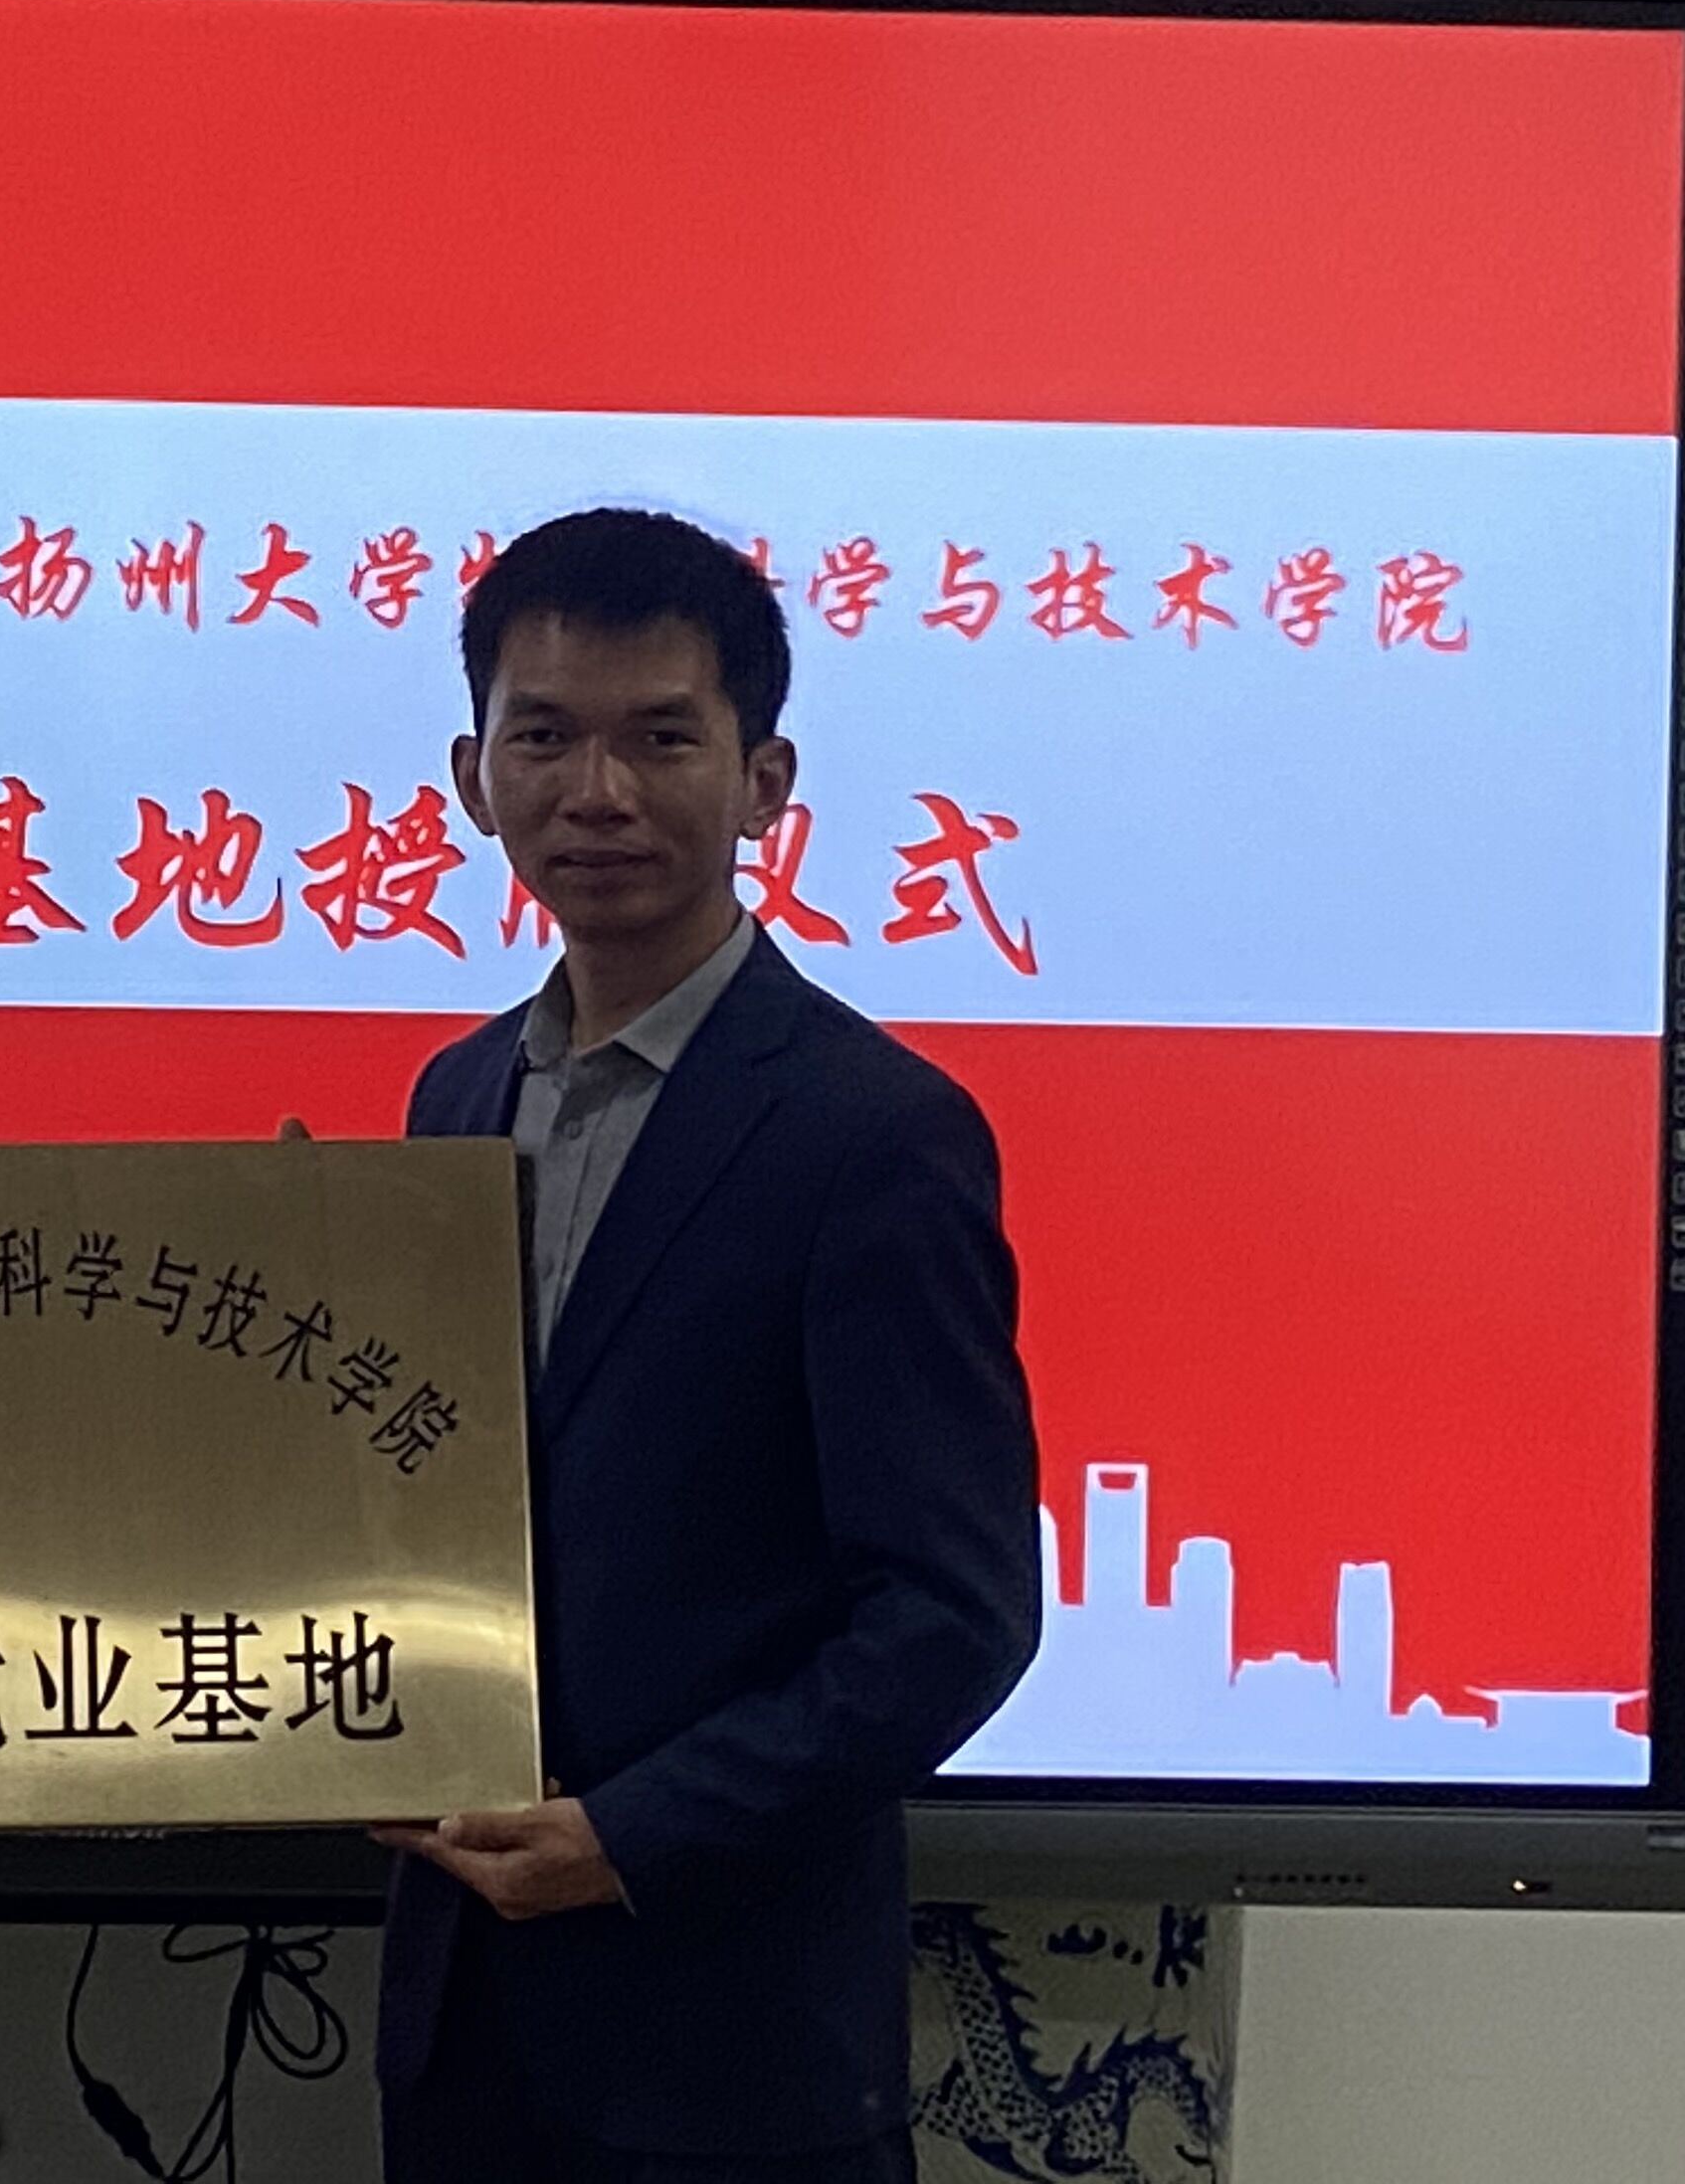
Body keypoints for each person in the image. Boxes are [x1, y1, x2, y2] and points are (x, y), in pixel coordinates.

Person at [371, 507, 1039, 2184]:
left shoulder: (874, 1133)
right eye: (543, 737)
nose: (596, 792)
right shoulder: (456, 1099)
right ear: (471, 778)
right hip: (463, 2024)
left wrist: (630, 1836)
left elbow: (951, 1617)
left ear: (763, 781)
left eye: (662, 738)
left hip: (731, 2055)